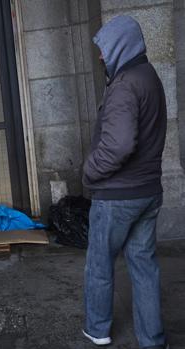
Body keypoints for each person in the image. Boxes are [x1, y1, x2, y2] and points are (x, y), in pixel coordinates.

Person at [82, 16, 169, 349]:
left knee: (100, 264)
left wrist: (89, 173)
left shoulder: (124, 84)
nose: (101, 56)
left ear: (120, 45)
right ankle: (152, 339)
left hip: (117, 196)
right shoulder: (149, 77)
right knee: (144, 267)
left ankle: (98, 329)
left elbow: (118, 145)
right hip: (148, 192)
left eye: (104, 48)